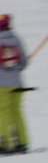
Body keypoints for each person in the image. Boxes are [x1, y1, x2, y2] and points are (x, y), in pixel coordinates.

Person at [0, 14, 30, 154]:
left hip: (1, 86)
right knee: (17, 112)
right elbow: (23, 62)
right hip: (17, 83)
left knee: (4, 113)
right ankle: (22, 143)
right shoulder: (15, 38)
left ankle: (7, 145)